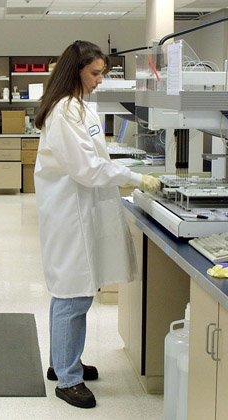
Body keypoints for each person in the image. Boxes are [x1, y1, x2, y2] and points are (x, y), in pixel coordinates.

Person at [33, 40, 161, 409]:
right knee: (72, 294)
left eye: (102, 73)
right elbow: (87, 168)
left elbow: (94, 158)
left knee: (77, 292)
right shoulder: (62, 113)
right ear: (76, 71)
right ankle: (67, 378)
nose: (100, 80)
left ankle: (64, 362)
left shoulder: (80, 109)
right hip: (69, 215)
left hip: (81, 210)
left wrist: (125, 173)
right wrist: (136, 179)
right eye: (95, 73)